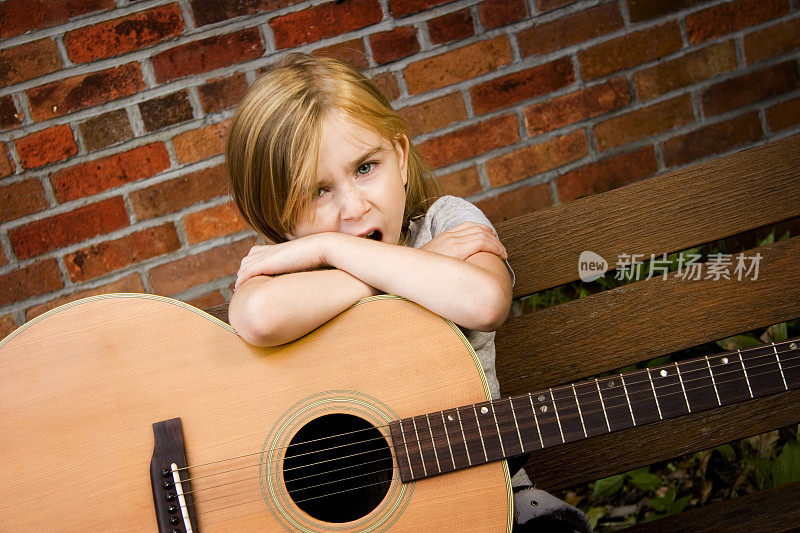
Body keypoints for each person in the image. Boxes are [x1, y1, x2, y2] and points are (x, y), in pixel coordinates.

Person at [225, 53, 590, 532]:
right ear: (279, 219)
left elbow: (484, 302)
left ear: (399, 157)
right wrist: (382, 265)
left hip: (489, 490)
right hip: (371, 519)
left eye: (365, 167)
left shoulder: (448, 222)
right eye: (318, 192)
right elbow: (258, 318)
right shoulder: (288, 275)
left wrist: (336, 247)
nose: (354, 207)